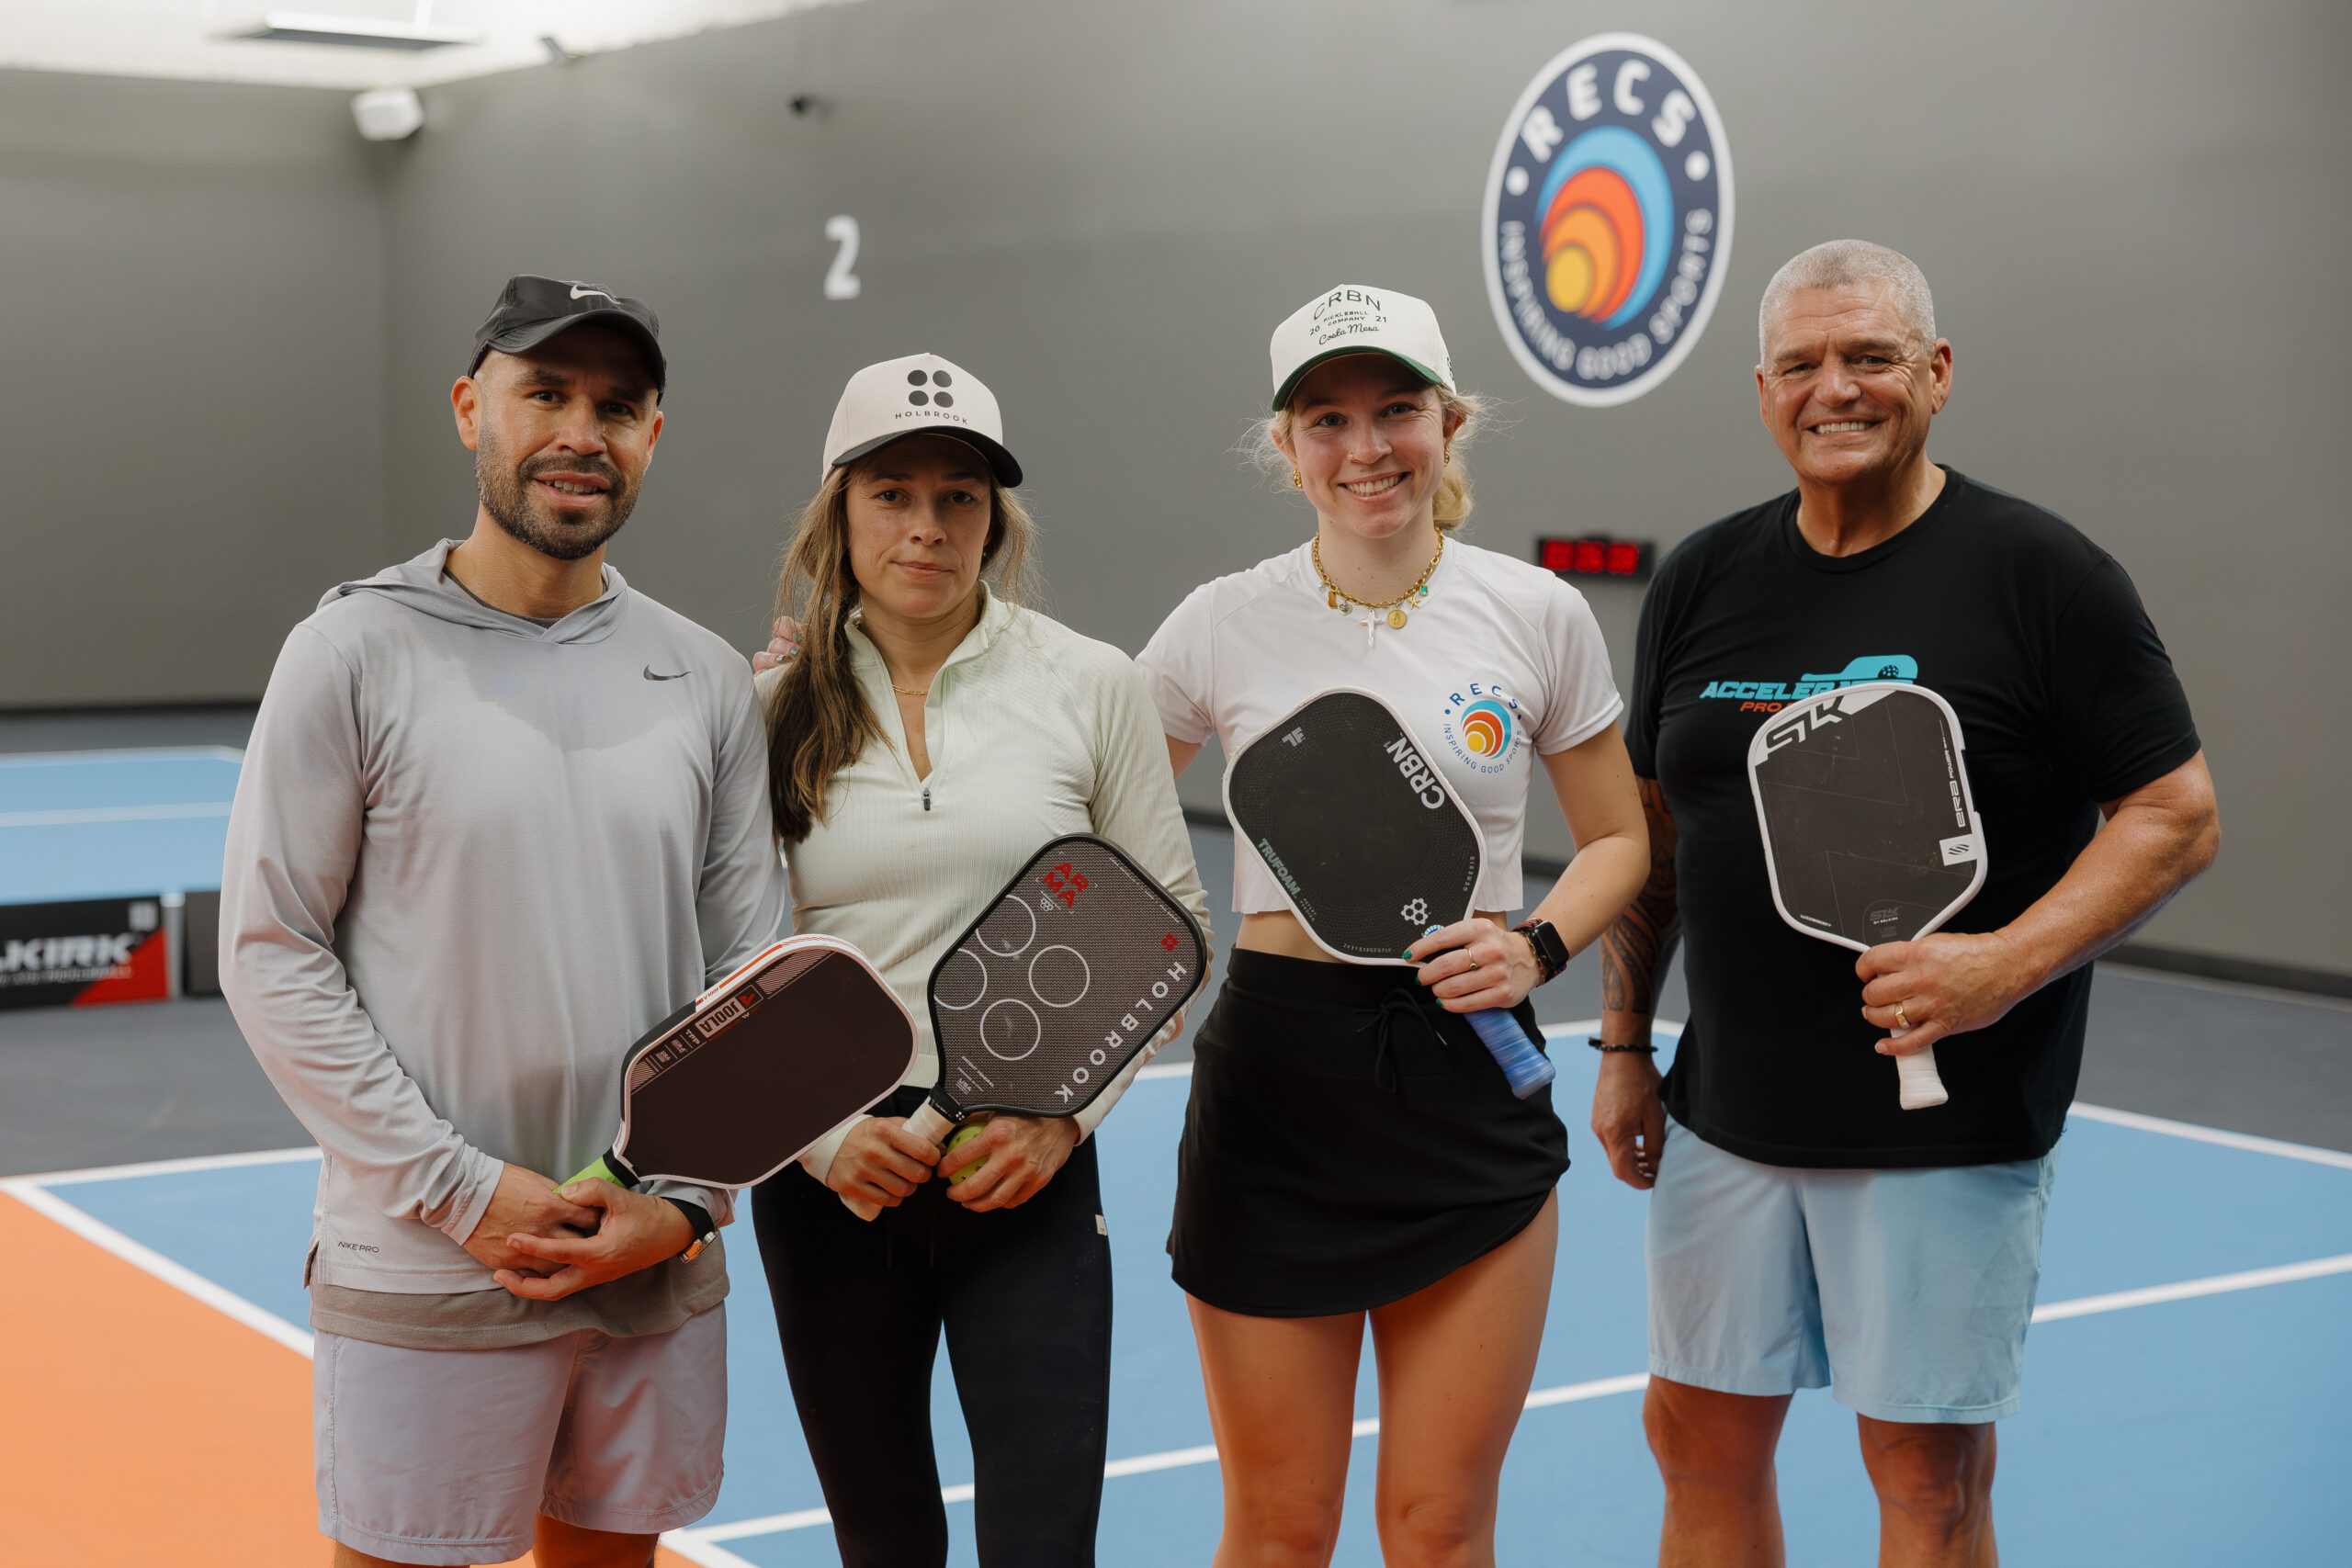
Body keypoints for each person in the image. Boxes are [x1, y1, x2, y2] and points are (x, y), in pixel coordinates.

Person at [1590, 240, 2220, 1567]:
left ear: (1935, 375)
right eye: (1804, 365)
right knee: (1694, 1441)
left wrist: (2006, 963)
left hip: (1948, 1129)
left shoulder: (2043, 576)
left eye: (1871, 357)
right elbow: (1656, 831)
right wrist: (1626, 1046)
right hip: (1726, 1113)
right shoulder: (1702, 578)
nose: (1838, 389)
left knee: (1925, 1482)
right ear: (1762, 389)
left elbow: (2176, 814)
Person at [220, 276, 785, 1568]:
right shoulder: (351, 651)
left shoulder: (702, 675)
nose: (583, 430)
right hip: (432, 1256)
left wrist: (684, 1199)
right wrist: (461, 1193)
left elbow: (754, 974)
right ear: (474, 408)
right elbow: (270, 953)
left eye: (619, 405)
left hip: (644, 1255)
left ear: (654, 435)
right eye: (547, 394)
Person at [1136, 286, 1649, 1566]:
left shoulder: (1537, 612)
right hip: (1276, 1089)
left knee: (1437, 1527)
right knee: (1280, 1529)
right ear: (1287, 447)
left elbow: (1622, 840)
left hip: (1467, 1073)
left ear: (1449, 421)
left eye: (1396, 411)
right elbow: (1083, 802)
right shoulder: (1219, 621)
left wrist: (1537, 945)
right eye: (1328, 419)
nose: (1366, 447)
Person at [749, 354, 1211, 1567]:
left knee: (1045, 1545)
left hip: (1027, 1174)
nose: (927, 527)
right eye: (893, 493)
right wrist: (823, 1139)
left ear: (995, 518)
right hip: (833, 1183)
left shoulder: (1090, 683)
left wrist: (1064, 1118)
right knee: (884, 1542)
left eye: (960, 496)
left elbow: (1173, 926)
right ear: (839, 509)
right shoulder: (763, 711)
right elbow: (727, 957)